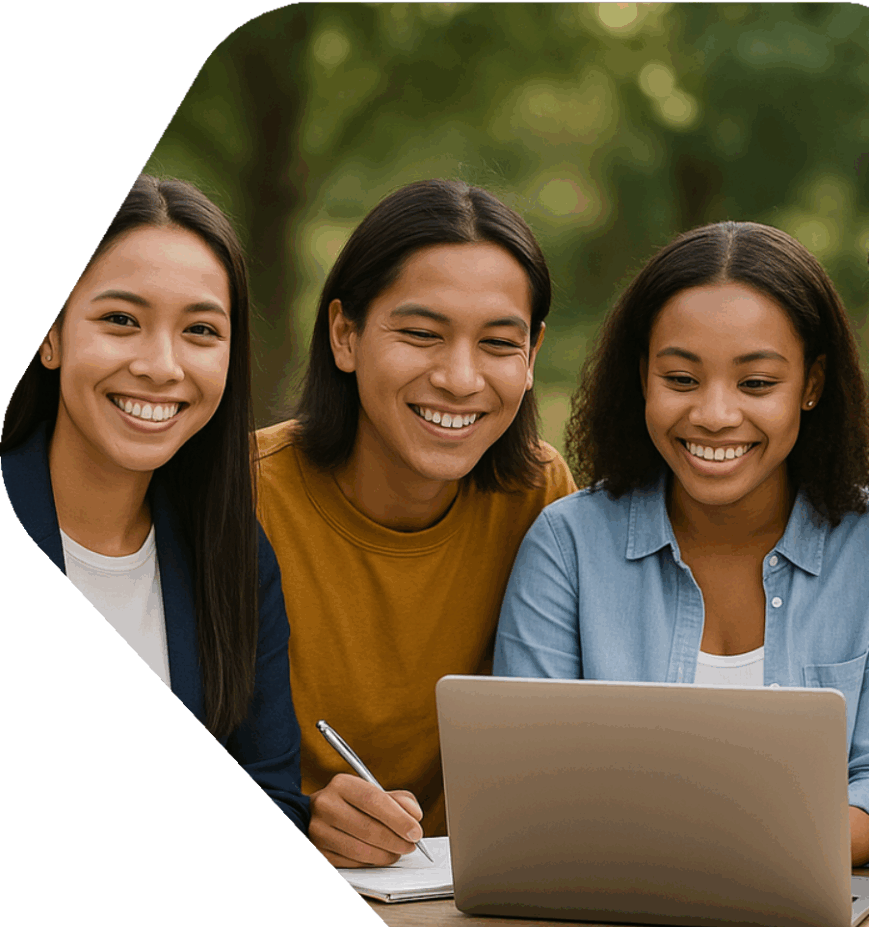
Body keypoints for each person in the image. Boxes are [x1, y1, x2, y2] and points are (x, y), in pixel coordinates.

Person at [493, 220, 869, 866]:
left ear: (810, 384)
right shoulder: (568, 545)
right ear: (642, 377)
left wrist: (726, 846)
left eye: (755, 383)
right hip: (603, 925)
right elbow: (520, 781)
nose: (714, 415)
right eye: (681, 379)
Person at [255, 179, 576, 866]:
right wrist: (295, 814)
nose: (460, 379)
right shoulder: (242, 494)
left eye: (497, 342)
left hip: (471, 894)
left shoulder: (538, 495)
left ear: (532, 356)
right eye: (421, 335)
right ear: (345, 334)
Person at [1, 174, 309, 833]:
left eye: (200, 330)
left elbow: (271, 803)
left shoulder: (231, 555)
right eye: (121, 320)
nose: (162, 365)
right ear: (48, 336)